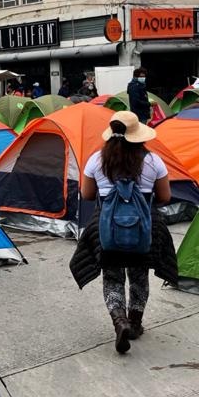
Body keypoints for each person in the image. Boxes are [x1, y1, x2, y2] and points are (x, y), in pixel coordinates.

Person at [73, 111, 175, 354]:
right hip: (143, 231)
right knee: (139, 277)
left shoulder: (97, 160)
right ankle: (136, 323)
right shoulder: (153, 161)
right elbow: (165, 197)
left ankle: (120, 321)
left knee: (113, 278)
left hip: (107, 231)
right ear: (138, 135)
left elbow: (87, 195)